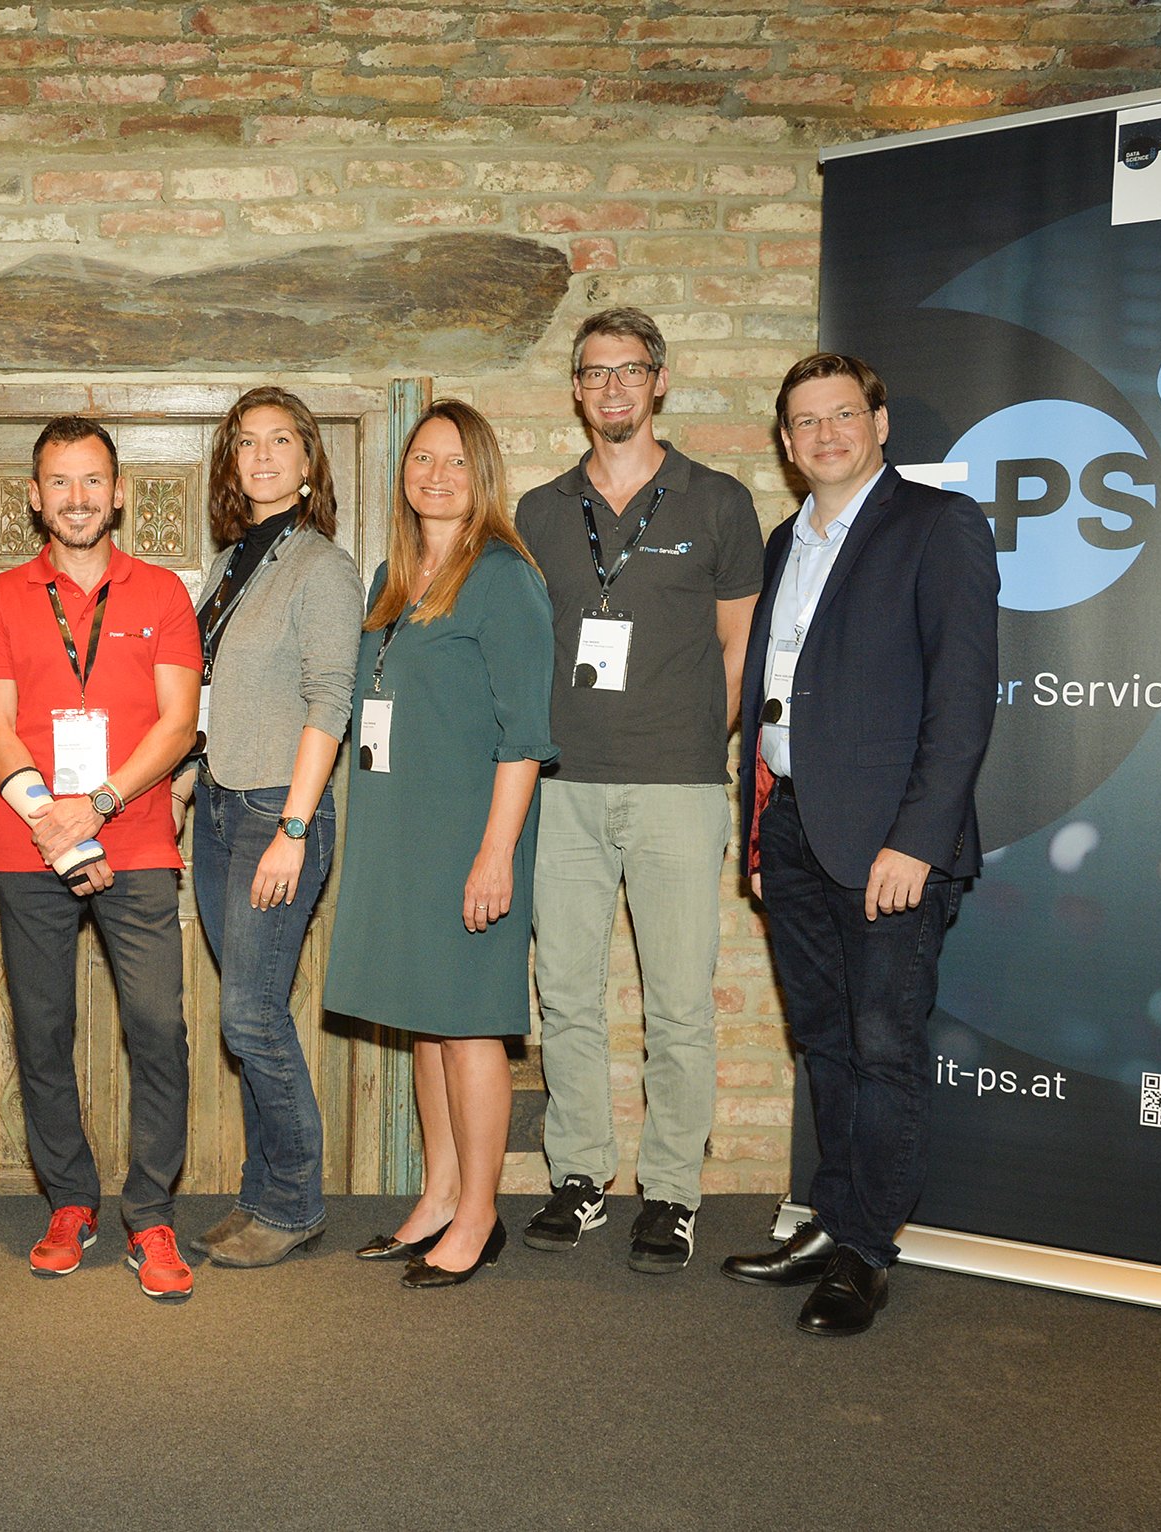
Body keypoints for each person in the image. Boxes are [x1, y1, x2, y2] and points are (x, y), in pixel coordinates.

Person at [723, 353, 998, 1336]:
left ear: (878, 423)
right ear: (785, 442)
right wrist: (760, 833)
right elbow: (770, 697)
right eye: (805, 421)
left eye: (843, 414)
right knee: (825, 1042)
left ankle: (868, 1251)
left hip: (888, 842)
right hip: (791, 825)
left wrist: (915, 842)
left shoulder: (936, 524)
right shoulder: (782, 542)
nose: (824, 433)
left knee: (882, 1049)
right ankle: (832, 1220)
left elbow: (962, 701)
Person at [513, 308, 765, 1274]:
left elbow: (738, 643)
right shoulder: (540, 510)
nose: (611, 387)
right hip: (562, 787)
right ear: (575, 389)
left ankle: (670, 1193)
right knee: (566, 996)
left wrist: (700, 738)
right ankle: (579, 1175)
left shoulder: (717, 501)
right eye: (593, 372)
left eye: (628, 370)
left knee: (679, 1004)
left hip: (676, 787)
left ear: (659, 379)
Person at [323, 400, 557, 1289]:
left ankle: (480, 1215)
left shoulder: (503, 577)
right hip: (399, 830)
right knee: (425, 1022)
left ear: (483, 475)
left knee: (468, 1027)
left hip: (469, 832)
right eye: (422, 458)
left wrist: (495, 855)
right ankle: (438, 1197)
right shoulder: (394, 574)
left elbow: (525, 737)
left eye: (456, 461)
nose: (436, 475)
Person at [0, 417, 203, 1303]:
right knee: (42, 1031)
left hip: (135, 837)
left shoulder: (162, 593)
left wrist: (95, 809)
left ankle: (150, 1213)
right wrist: (54, 823)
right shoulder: (0, 595)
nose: (77, 498)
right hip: (29, 841)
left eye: (92, 480)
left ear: (118, 493)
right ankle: (69, 1201)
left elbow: (177, 725)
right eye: (59, 482)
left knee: (157, 1027)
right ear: (35, 497)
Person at [171, 387, 363, 1269]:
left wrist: (292, 825)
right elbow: (216, 691)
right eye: (246, 442)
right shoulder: (232, 561)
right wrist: (184, 779)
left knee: (250, 1019)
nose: (261, 456)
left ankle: (293, 1204)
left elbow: (330, 699)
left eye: (280, 440)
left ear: (308, 460)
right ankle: (259, 1194)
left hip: (275, 811)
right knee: (249, 1016)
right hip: (219, 803)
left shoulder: (321, 566)